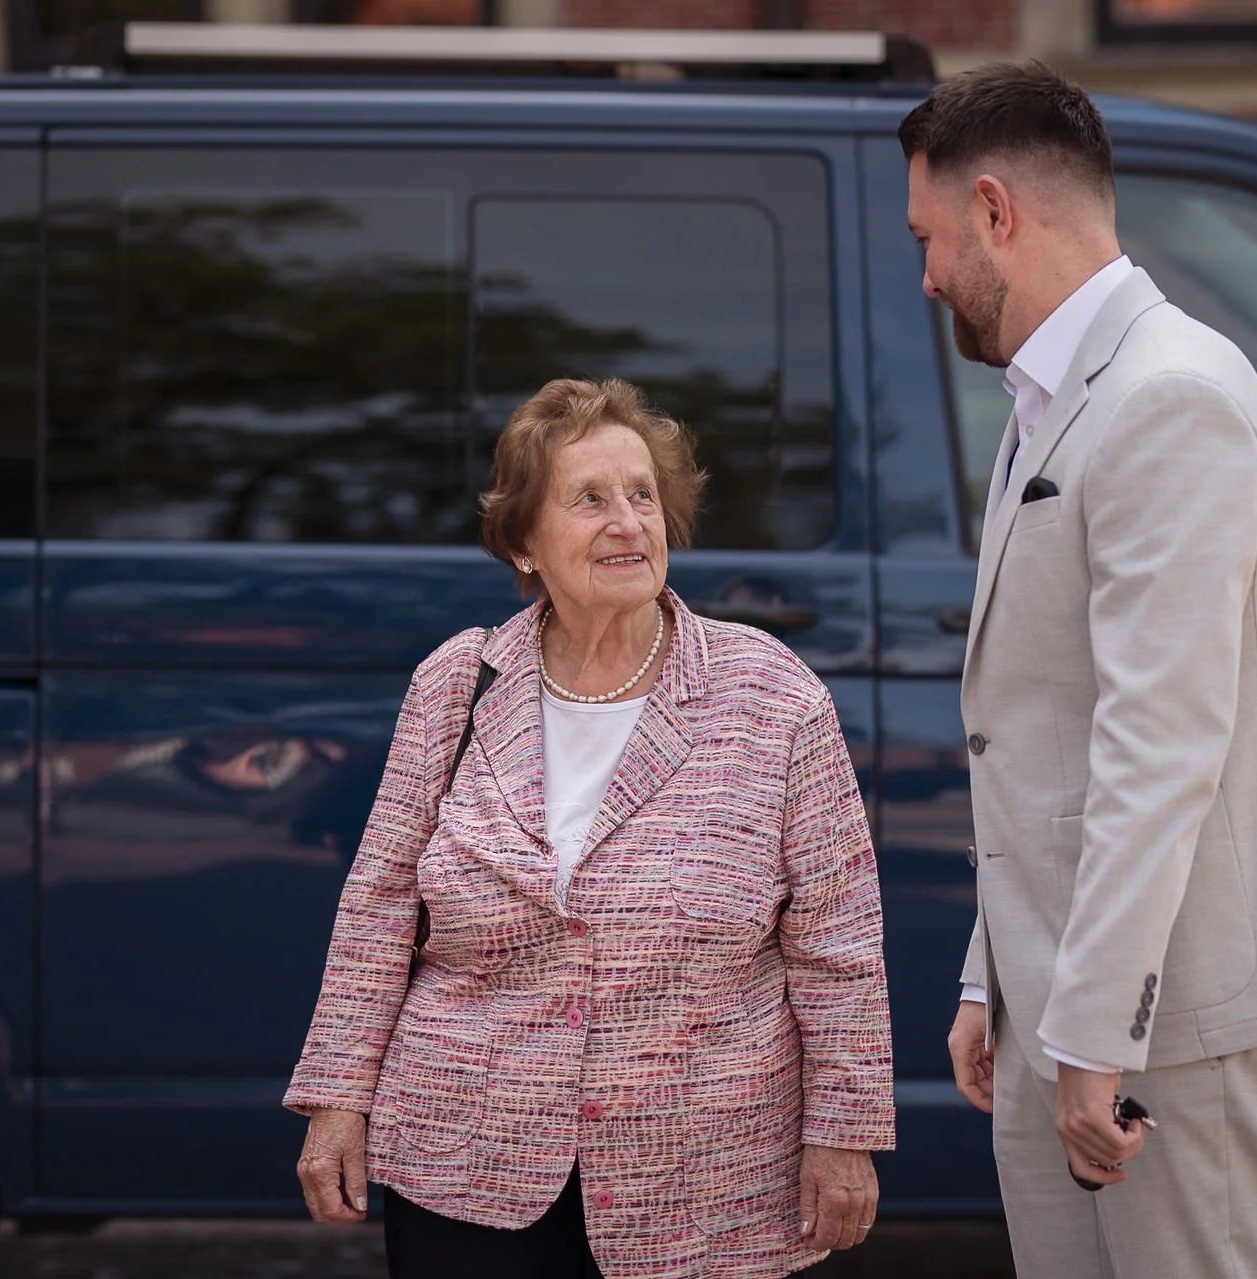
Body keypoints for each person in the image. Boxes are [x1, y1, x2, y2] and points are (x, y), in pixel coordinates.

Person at [900, 61, 1257, 1279]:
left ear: (999, 210)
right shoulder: (1051, 394)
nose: (926, 275)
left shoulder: (1173, 397)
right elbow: (1037, 725)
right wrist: (994, 978)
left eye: (931, 236)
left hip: (1175, 1012)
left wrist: (1094, 1030)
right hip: (1070, 1001)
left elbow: (1159, 745)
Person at [286, 377, 895, 1279]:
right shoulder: (458, 682)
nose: (627, 522)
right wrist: (338, 1097)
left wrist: (844, 1132)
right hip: (466, 1162)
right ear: (526, 543)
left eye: (643, 495)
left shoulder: (769, 693)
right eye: (590, 500)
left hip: (703, 1178)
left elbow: (837, 937)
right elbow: (379, 904)